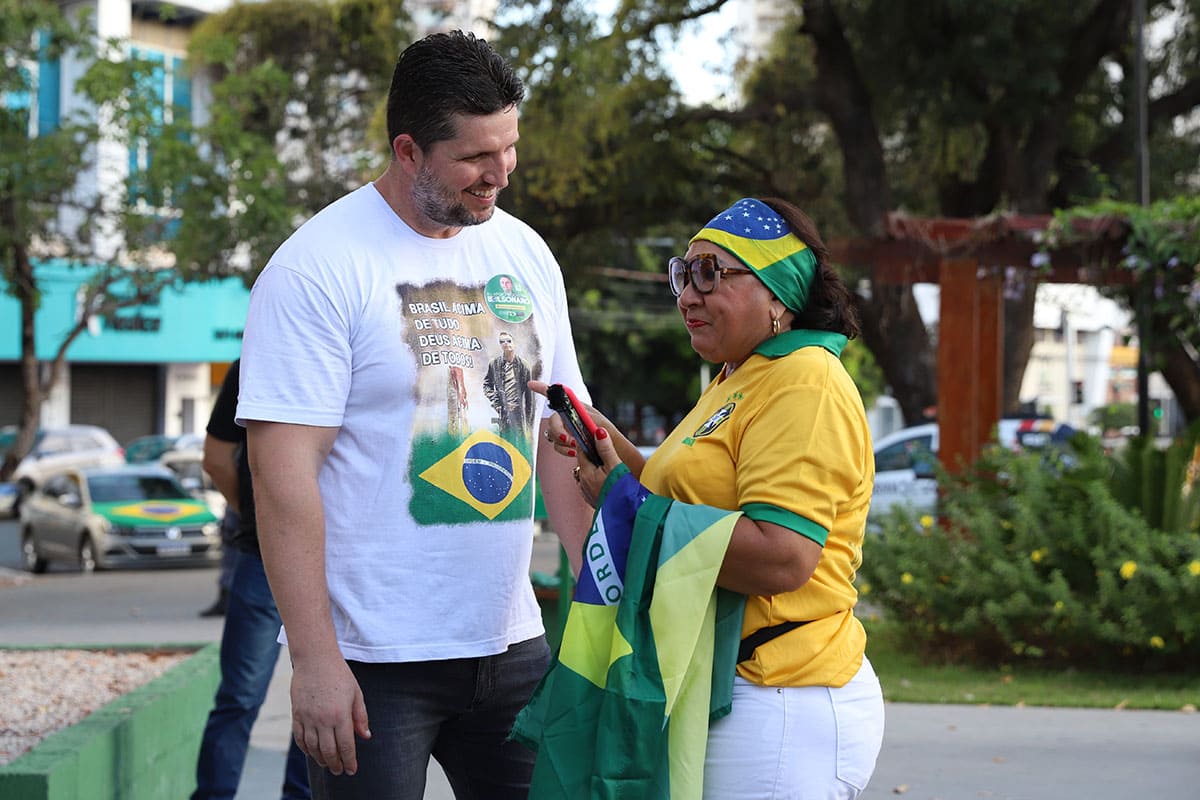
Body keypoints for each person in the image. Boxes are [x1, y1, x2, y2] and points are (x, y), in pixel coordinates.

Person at [235, 30, 594, 800]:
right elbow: (281, 473)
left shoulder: (526, 254)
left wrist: (609, 600)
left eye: (510, 149)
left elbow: (560, 432)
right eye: (474, 158)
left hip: (511, 643)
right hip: (372, 661)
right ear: (407, 150)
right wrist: (316, 661)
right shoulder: (317, 268)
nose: (500, 175)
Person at [538, 197, 885, 798]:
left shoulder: (804, 380)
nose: (686, 295)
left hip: (780, 696)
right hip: (721, 684)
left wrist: (624, 500)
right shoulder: (737, 376)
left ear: (778, 294)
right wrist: (609, 444)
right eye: (682, 273)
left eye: (709, 274)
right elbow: (682, 501)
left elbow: (783, 557)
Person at [192, 359, 311, 800]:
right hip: (325, 557)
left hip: (267, 554)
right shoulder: (347, 349)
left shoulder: (255, 361)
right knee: (320, 697)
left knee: (240, 699)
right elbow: (216, 459)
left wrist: (264, 518)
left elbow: (216, 459)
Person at [483, 331, 535, 436]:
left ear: (514, 343)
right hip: (501, 413)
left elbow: (530, 398)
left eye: (509, 341)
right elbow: (487, 385)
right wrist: (495, 401)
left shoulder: (524, 366)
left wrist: (529, 424)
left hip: (517, 414)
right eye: (502, 341)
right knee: (503, 442)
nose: (506, 343)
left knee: (518, 443)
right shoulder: (494, 364)